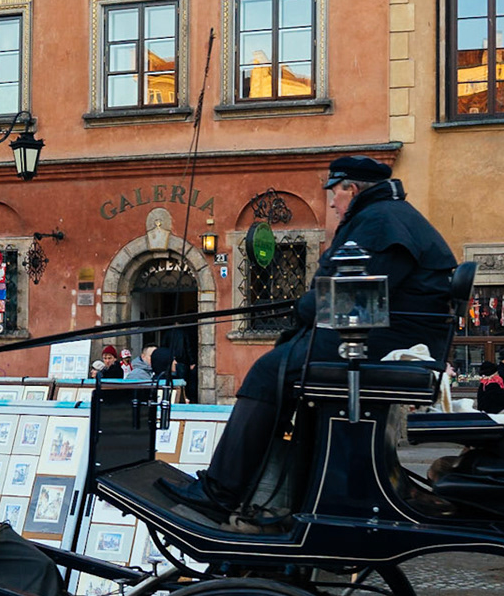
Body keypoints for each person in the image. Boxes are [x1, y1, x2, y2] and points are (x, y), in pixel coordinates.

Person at [164, 155, 457, 519]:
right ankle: (288, 493)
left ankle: (220, 491)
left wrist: (304, 306)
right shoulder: (387, 216)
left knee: (268, 372)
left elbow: (347, 294)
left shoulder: (380, 220)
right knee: (283, 364)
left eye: (334, 193)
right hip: (393, 335)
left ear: (351, 189)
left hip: (386, 341)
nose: (331, 203)